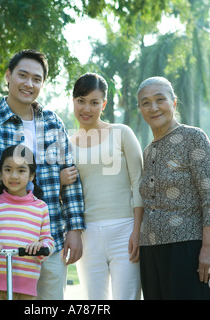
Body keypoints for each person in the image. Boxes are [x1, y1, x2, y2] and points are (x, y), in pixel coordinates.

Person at [0, 49, 85, 300]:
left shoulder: (53, 122)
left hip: (49, 240)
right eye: (23, 75)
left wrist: (75, 229)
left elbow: (69, 176)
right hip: (5, 242)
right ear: (9, 76)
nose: (29, 84)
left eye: (36, 79)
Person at [136, 76, 210, 300]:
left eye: (159, 100)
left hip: (188, 249)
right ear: (140, 109)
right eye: (145, 103)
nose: (153, 107)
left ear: (174, 103)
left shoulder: (194, 138)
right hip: (150, 250)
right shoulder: (147, 151)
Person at [61, 73, 143, 299]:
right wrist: (60, 180)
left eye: (94, 102)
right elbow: (60, 194)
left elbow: (139, 183)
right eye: (81, 101)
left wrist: (137, 231)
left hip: (125, 231)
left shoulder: (122, 133)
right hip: (87, 236)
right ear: (73, 100)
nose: (86, 108)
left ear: (103, 104)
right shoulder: (66, 144)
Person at [0, 145, 54, 300]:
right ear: (1, 173)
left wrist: (41, 246)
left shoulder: (40, 207)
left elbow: (48, 240)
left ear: (31, 175)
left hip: (25, 284)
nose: (14, 176)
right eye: (8, 170)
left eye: (21, 170)